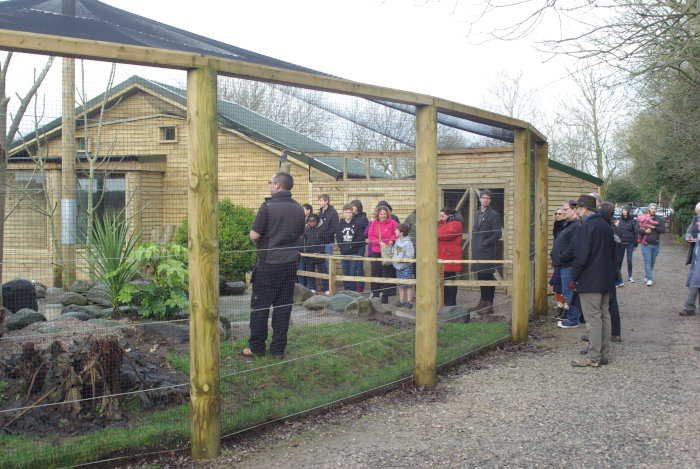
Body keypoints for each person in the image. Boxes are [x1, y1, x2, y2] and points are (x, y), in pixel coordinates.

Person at [243, 171, 305, 359]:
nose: (269, 185)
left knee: (260, 307)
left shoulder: (267, 207)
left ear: (277, 185)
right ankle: (278, 350)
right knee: (283, 307)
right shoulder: (299, 209)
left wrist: (260, 245)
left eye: (270, 182)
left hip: (268, 265)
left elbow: (254, 235)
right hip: (289, 265)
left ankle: (257, 348)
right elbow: (300, 236)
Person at [569, 194, 616, 367]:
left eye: (577, 207)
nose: (576, 210)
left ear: (585, 208)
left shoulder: (588, 227)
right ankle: (603, 353)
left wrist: (574, 275)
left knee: (593, 318)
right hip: (605, 279)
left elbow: (581, 255)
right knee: (603, 316)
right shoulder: (604, 225)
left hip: (591, 280)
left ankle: (594, 356)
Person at [470, 189, 502, 315]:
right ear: (480, 199)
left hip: (487, 251)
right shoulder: (477, 213)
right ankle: (482, 302)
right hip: (477, 250)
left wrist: (486, 243)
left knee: (488, 276)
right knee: (481, 276)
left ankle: (489, 304)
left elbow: (497, 233)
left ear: (490, 200)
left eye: (488, 198)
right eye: (484, 198)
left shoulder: (494, 215)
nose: (485, 200)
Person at [552, 200, 582, 328]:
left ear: (574, 210)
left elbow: (574, 245)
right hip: (562, 264)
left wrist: (562, 257)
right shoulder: (568, 224)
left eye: (565, 209)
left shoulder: (576, 226)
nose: (563, 212)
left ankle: (573, 319)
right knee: (566, 292)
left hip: (568, 265)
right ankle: (573, 318)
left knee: (569, 293)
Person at [600, 202, 623, 342]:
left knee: (611, 302)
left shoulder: (611, 229)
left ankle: (614, 332)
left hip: (610, 270)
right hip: (612, 269)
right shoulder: (612, 228)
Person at [367, 204, 398, 303]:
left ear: (387, 214)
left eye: (384, 214)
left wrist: (391, 240)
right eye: (381, 214)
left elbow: (396, 233)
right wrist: (378, 242)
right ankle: (375, 294)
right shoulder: (374, 223)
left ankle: (385, 296)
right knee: (376, 273)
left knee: (387, 273)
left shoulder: (393, 223)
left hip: (388, 252)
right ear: (378, 214)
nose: (383, 216)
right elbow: (370, 236)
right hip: (376, 251)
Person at [336, 204, 366, 292]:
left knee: (353, 271)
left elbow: (359, 237)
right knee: (345, 271)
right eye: (346, 212)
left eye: (350, 212)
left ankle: (353, 290)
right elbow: (338, 237)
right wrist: (342, 247)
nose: (348, 214)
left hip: (354, 251)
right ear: (343, 213)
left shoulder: (357, 224)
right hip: (343, 251)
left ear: (352, 213)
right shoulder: (340, 224)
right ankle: (346, 289)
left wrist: (352, 246)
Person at [438, 208, 463, 307]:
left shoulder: (455, 223)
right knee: (445, 279)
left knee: (450, 279)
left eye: (443, 216)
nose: (441, 218)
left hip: (449, 255)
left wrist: (434, 232)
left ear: (449, 216)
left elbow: (447, 234)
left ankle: (451, 301)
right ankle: (445, 300)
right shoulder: (443, 223)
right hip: (444, 255)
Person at [680, 202, 700, 316]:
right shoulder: (694, 221)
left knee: (695, 283)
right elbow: (688, 232)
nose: (697, 221)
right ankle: (689, 307)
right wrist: (688, 237)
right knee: (694, 283)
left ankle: (690, 307)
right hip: (696, 258)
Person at [637, 203, 665, 286]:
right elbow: (636, 229)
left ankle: (647, 275)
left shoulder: (659, 219)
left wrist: (654, 227)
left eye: (655, 209)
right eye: (652, 208)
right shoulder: (642, 217)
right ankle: (649, 279)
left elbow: (663, 230)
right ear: (649, 209)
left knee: (652, 262)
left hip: (656, 243)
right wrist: (645, 231)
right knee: (647, 261)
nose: (653, 210)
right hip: (646, 244)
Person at [303, 213, 328, 293]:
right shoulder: (306, 229)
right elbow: (305, 239)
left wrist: (321, 250)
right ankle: (312, 288)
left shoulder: (322, 228)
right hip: (309, 254)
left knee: (323, 271)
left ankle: (326, 288)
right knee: (310, 272)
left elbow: (325, 239)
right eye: (310, 221)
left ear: (317, 221)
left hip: (319, 253)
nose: (311, 223)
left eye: (313, 221)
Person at [550, 206, 568, 318]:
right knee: (557, 284)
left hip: (563, 259)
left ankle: (565, 310)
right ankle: (559, 308)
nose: (558, 215)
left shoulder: (565, 227)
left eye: (560, 214)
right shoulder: (556, 227)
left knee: (564, 285)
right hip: (557, 259)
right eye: (556, 214)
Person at [392, 223, 415, 308]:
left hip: (406, 266)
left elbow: (410, 255)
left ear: (401, 232)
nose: (395, 231)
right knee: (400, 283)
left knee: (408, 284)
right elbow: (395, 251)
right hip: (398, 265)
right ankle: (401, 300)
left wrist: (403, 260)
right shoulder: (398, 241)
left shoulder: (408, 243)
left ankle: (409, 301)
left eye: (397, 230)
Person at [350, 200, 369, 292]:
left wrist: (359, 238)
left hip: (360, 245)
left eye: (353, 206)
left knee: (359, 266)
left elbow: (367, 232)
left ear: (358, 207)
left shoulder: (363, 218)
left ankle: (360, 286)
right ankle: (352, 285)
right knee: (352, 266)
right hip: (351, 246)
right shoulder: (351, 217)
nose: (352, 207)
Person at [317, 194, 339, 273]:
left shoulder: (333, 212)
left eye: (321, 201)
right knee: (322, 263)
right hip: (320, 242)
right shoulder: (320, 212)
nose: (319, 202)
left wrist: (325, 235)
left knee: (328, 263)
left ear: (326, 201)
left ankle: (330, 283)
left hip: (328, 242)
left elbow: (335, 227)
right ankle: (325, 283)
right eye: (318, 201)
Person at [617, 206, 638, 283]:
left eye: (625, 210)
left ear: (628, 211)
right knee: (620, 260)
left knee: (629, 259)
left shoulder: (633, 221)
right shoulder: (619, 220)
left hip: (630, 242)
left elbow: (635, 233)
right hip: (621, 242)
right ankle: (618, 276)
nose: (624, 211)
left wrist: (635, 244)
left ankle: (630, 276)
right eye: (623, 210)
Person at [297, 203, 314, 287]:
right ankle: (301, 285)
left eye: (303, 209)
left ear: (308, 210)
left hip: (307, 249)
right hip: (300, 249)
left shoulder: (311, 222)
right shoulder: (300, 219)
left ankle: (307, 286)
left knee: (307, 268)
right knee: (301, 268)